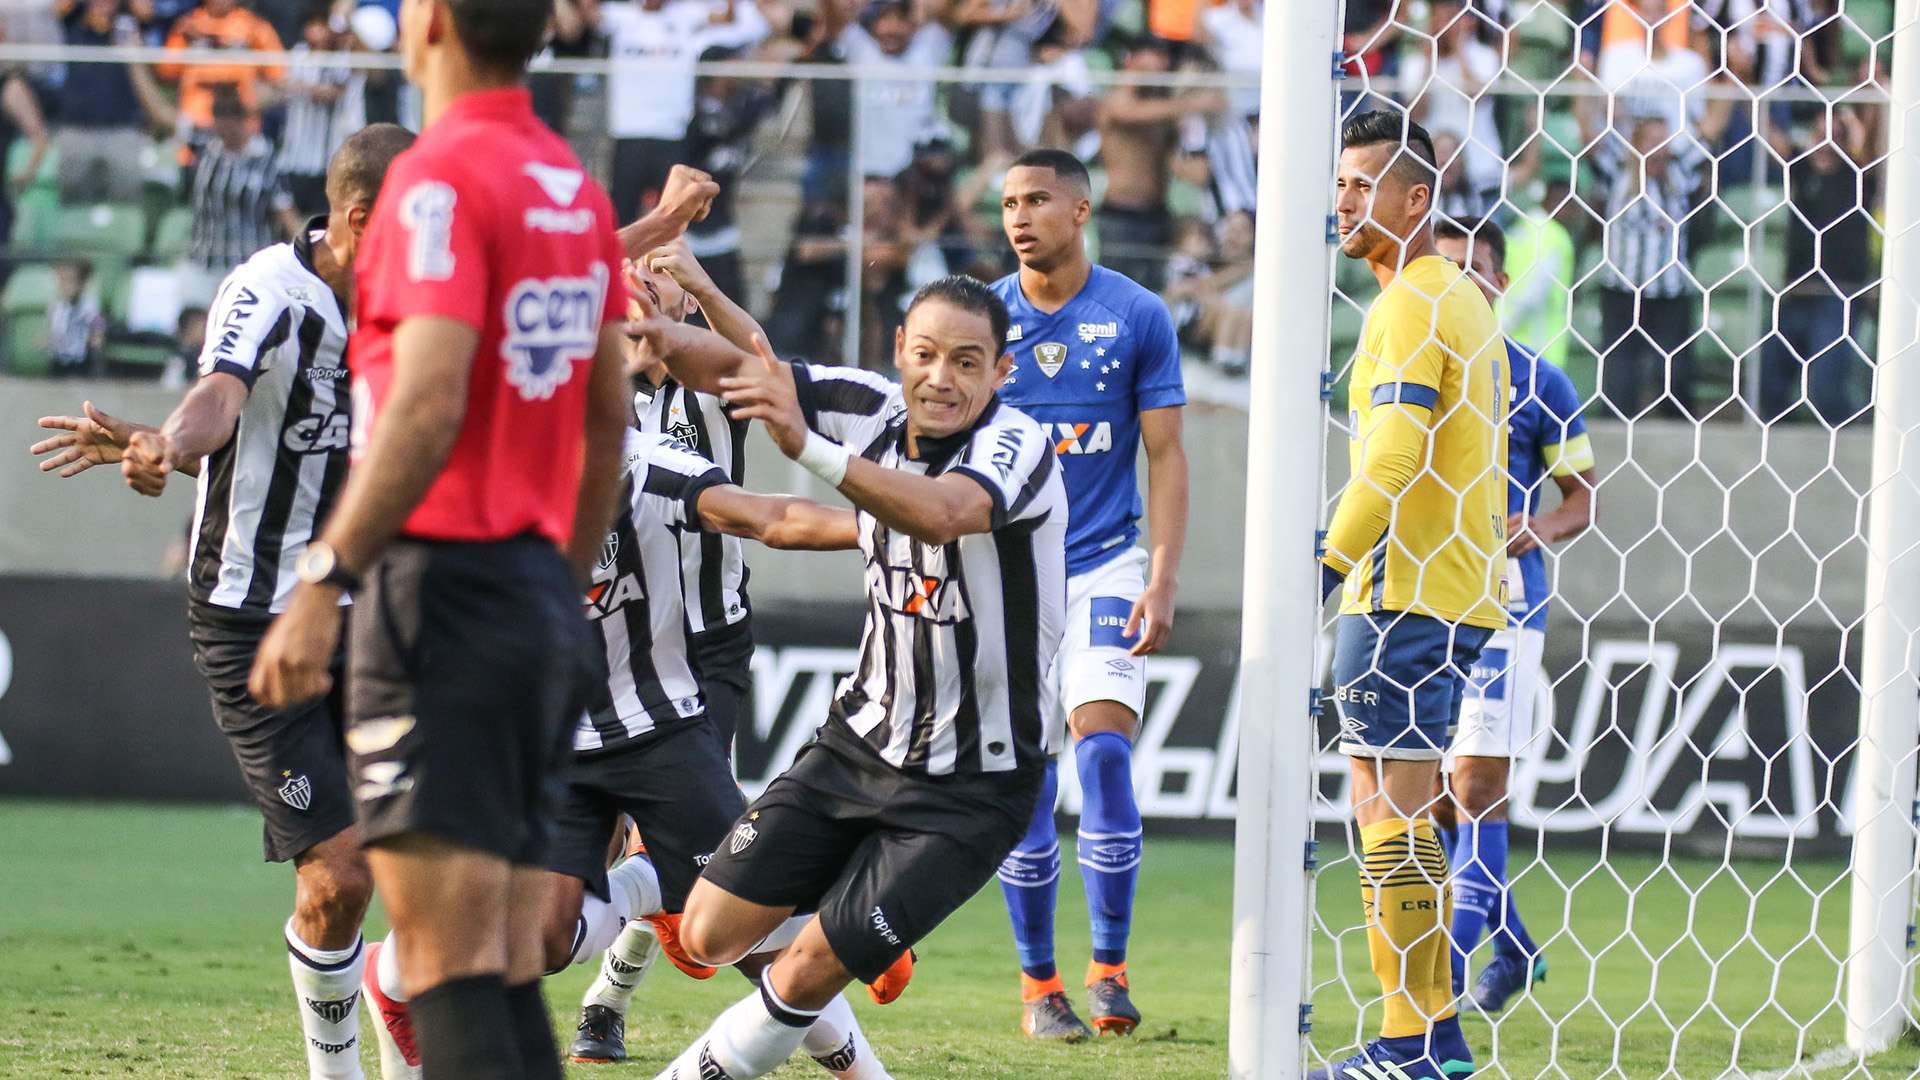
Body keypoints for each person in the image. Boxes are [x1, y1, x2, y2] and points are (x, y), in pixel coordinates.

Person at [245, 1, 636, 1076]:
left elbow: (425, 404)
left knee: (446, 967)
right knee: (503, 970)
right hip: (536, 594)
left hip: (440, 591)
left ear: (430, 24)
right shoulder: (573, 187)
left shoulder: (436, 181)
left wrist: (326, 578)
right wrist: (555, 583)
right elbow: (608, 419)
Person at [28, 123, 420, 1080]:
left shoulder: (419, 297)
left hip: (366, 604)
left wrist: (655, 227)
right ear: (362, 217)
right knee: (340, 874)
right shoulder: (267, 292)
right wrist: (167, 443)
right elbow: (218, 394)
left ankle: (402, 1010)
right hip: (255, 617)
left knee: (434, 853)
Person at [625, 274, 1068, 1080]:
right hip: (857, 746)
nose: (943, 377)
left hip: (973, 784)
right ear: (899, 349)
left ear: (1003, 372)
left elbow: (940, 513)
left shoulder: (1019, 446)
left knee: (800, 974)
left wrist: (811, 450)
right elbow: (736, 371)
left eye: (969, 363)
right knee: (705, 931)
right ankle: (850, 932)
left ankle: (823, 955)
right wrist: (655, 335)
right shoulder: (866, 405)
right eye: (927, 354)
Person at [1309, 110, 1507, 1080]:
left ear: (1414, 198)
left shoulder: (1408, 306)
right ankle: (1434, 1033)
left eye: (1360, 184)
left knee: (1387, 818)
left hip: (1401, 596)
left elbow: (1393, 450)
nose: (1342, 202)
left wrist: (1327, 562)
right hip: (1454, 592)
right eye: (1337, 184)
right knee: (1405, 819)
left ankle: (1409, 1040)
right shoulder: (1460, 297)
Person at [985, 148, 1189, 1041]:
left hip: (1107, 560)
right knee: (1028, 777)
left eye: (1036, 200)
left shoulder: (1137, 314)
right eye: (1008, 204)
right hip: (1007, 572)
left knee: (1103, 751)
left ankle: (1110, 971)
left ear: (1081, 206)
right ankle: (1041, 990)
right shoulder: (982, 318)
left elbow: (1167, 454)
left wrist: (1163, 576)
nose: (1020, 217)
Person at [1432, 217, 1597, 1015]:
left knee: (1474, 782)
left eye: (1477, 269)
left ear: (1500, 283)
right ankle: (1519, 951)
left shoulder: (1538, 380)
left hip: (1505, 601)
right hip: (1420, 602)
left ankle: (1443, 996)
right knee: (1427, 800)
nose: (1462, 281)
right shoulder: (1414, 371)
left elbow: (1582, 497)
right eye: (1447, 267)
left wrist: (1542, 526)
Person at [596, 0, 770, 222]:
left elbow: (726, 18)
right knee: (622, 215)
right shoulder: (618, 16)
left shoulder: (686, 15)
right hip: (629, 130)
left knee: (671, 217)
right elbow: (586, 14)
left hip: (671, 131)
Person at [1094, 33, 1222, 293]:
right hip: (1121, 216)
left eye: (1160, 71)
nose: (1154, 78)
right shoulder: (1117, 100)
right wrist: (1193, 102)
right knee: (1117, 293)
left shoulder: (1163, 112)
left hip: (1157, 214)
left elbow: (1179, 160)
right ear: (1130, 64)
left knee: (1152, 293)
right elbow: (1130, 113)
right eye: (1146, 71)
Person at [156, 0, 287, 135]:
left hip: (240, 121)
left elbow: (277, 74)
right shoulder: (188, 25)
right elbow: (167, 71)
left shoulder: (254, 26)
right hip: (196, 118)